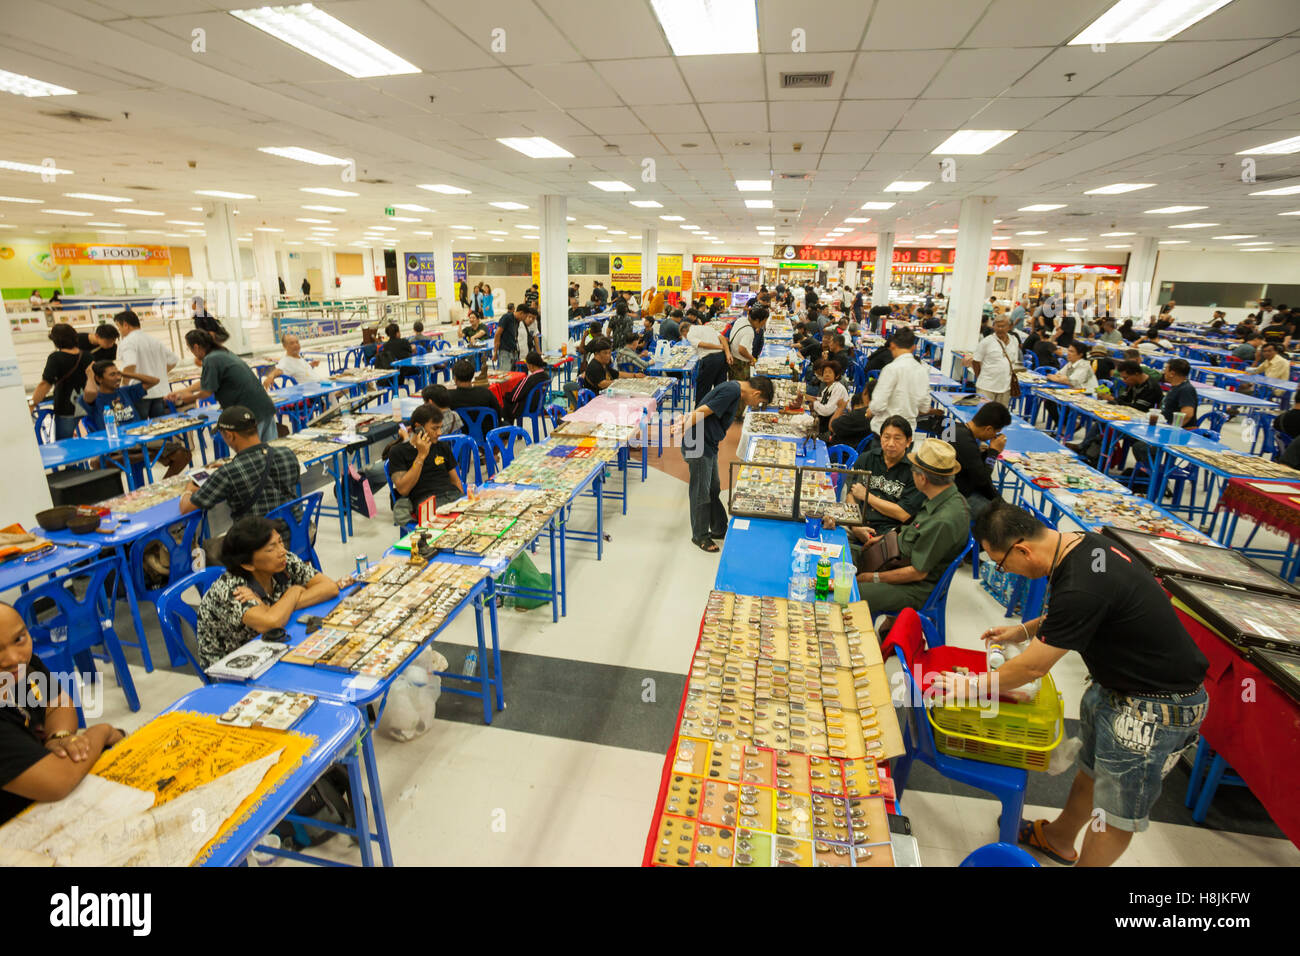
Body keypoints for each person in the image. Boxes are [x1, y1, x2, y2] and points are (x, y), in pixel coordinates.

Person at [969, 502, 1208, 866]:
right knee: (1090, 772)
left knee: (1115, 815)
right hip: (1118, 688)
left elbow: (1033, 667)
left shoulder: (1083, 581)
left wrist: (969, 686)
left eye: (1000, 564)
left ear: (1022, 549)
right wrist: (1024, 629)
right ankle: (1059, 838)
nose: (1007, 571)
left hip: (1155, 708)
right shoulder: (1082, 545)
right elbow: (1075, 611)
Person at [0, 603, 127, 825]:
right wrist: (102, 732)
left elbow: (58, 703)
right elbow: (57, 782)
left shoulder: (23, 667)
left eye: (19, 639)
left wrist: (59, 736)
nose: (13, 657)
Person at [196, 516, 339, 667]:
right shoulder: (232, 590)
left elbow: (330, 587)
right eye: (271, 549)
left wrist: (277, 609)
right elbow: (271, 623)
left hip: (271, 644)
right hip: (233, 664)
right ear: (248, 564)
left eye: (280, 541)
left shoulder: (283, 561)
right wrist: (295, 591)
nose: (282, 551)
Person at [851, 438, 971, 617]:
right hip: (894, 557)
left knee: (847, 592)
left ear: (922, 478)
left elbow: (918, 573)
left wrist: (872, 578)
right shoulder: (942, 495)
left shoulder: (945, 519)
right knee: (839, 553)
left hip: (914, 585)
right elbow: (913, 531)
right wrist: (882, 541)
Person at [673, 375, 775, 553]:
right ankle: (700, 535)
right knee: (700, 492)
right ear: (757, 393)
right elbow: (705, 410)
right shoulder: (732, 390)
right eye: (759, 401)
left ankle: (719, 527)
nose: (755, 405)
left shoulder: (734, 390)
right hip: (698, 444)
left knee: (713, 488)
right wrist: (685, 423)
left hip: (707, 443)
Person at [179, 406, 300, 520]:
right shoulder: (287, 453)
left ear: (229, 435)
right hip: (298, 532)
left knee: (207, 543)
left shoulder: (227, 473)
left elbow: (186, 509)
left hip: (259, 540)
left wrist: (188, 490)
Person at [167, 330, 278, 442]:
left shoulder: (211, 359)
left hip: (250, 412)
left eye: (189, 349)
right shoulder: (222, 353)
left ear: (196, 347)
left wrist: (188, 398)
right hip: (263, 406)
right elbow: (206, 381)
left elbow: (207, 392)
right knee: (269, 450)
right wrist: (183, 391)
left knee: (255, 452)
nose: (192, 353)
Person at [840, 415, 924, 539]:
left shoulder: (914, 472)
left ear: (908, 441)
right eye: (886, 437)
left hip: (888, 532)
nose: (890, 443)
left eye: (897, 438)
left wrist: (867, 496)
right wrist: (855, 525)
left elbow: (904, 514)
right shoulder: (866, 458)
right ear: (880, 438)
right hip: (856, 521)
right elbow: (851, 495)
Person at [387, 406, 463, 525]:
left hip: (453, 496)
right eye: (435, 428)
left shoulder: (441, 447)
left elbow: (456, 481)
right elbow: (403, 489)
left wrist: (464, 501)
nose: (440, 433)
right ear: (418, 427)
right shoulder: (398, 451)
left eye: (440, 427)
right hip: (428, 503)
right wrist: (421, 456)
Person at [30, 324, 93, 440]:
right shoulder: (88, 356)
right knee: (95, 438)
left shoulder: (55, 358)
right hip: (87, 404)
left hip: (65, 407)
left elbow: (45, 384)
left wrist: (32, 403)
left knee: (64, 444)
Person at [951, 402, 1011, 520]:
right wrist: (993, 452)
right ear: (988, 428)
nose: (994, 436)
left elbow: (971, 462)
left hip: (957, 487)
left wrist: (986, 453)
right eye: (995, 432)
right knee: (1003, 520)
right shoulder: (965, 441)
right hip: (959, 496)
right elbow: (982, 479)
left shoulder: (957, 430)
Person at [114, 309, 179, 418]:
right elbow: (173, 360)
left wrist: (123, 388)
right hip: (159, 391)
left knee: (140, 428)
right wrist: (159, 374)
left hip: (138, 393)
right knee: (159, 427)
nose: (119, 331)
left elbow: (130, 366)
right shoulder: (154, 340)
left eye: (119, 327)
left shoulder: (127, 342)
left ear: (125, 325)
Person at [868, 328, 930, 436]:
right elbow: (925, 407)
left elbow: (878, 404)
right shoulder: (922, 370)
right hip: (907, 433)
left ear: (892, 346)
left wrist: (871, 411)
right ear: (913, 348)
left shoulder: (891, 369)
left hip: (886, 431)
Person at [81, 360, 154, 430]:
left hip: (138, 433)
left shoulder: (125, 391)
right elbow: (91, 392)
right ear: (99, 379)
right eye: (112, 375)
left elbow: (153, 381)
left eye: (118, 374)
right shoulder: (93, 398)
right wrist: (90, 375)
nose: (118, 378)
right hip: (114, 437)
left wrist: (124, 373)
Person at [968, 316, 1021, 405]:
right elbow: (976, 361)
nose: (1000, 329)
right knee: (984, 415)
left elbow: (1013, 361)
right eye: (997, 326)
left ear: (1009, 327)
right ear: (993, 326)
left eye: (1003, 326)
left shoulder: (1014, 340)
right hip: (986, 387)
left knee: (1000, 415)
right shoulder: (986, 342)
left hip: (1005, 387)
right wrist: (981, 378)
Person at [681, 316, 732, 397]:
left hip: (710, 361)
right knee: (720, 389)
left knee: (702, 390)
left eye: (684, 336)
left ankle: (700, 409)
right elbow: (722, 338)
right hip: (722, 358)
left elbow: (702, 344)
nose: (686, 338)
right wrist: (728, 353)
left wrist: (718, 346)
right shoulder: (706, 327)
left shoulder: (690, 334)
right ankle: (719, 409)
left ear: (684, 331)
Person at [503, 351, 551, 424]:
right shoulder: (546, 376)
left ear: (531, 366)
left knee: (505, 403)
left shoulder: (530, 379)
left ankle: (507, 432)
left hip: (528, 406)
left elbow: (514, 397)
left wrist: (505, 395)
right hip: (539, 404)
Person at [807, 359, 848, 435]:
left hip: (831, 428)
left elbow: (826, 411)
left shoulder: (838, 388)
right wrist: (812, 398)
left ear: (837, 376)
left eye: (830, 372)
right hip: (824, 423)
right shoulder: (828, 388)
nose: (827, 375)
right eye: (825, 372)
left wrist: (814, 402)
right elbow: (824, 399)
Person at [1160, 358, 1198, 428]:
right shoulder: (1176, 387)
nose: (1164, 372)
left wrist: (1173, 429)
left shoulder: (1186, 390)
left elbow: (1187, 414)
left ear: (1172, 374)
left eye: (1165, 369)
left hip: (1181, 431)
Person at [494, 302, 527, 371]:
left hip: (513, 352)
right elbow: (497, 334)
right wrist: (495, 352)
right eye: (525, 316)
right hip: (505, 351)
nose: (524, 319)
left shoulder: (517, 321)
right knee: (505, 374)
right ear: (521, 313)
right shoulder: (506, 318)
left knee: (514, 375)